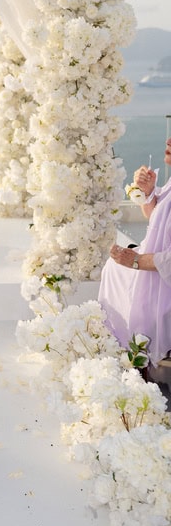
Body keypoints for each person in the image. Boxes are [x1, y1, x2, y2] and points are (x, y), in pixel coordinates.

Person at [99, 137, 171, 375]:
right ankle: (128, 355)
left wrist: (137, 261)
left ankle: (139, 362)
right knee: (114, 269)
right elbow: (160, 222)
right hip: (158, 265)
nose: (168, 140)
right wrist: (149, 194)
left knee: (122, 271)